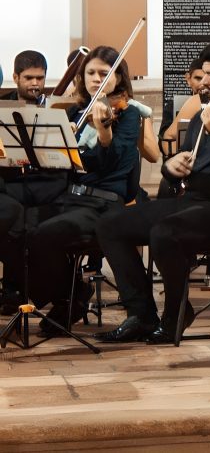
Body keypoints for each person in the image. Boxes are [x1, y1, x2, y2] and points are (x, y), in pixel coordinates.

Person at [93, 38, 210, 343]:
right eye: (203, 74)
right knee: (110, 224)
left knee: (165, 233)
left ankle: (174, 316)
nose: (203, 81)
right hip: (196, 202)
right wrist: (171, 167)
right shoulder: (202, 115)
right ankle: (141, 314)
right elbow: (182, 165)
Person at [26, 47, 141, 335]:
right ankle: (69, 295)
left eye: (104, 73)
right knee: (17, 228)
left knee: (45, 233)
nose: (96, 78)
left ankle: (70, 299)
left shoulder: (128, 114)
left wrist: (104, 133)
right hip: (71, 197)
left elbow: (117, 164)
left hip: (103, 204)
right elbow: (67, 162)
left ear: (118, 78)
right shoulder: (76, 113)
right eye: (90, 72)